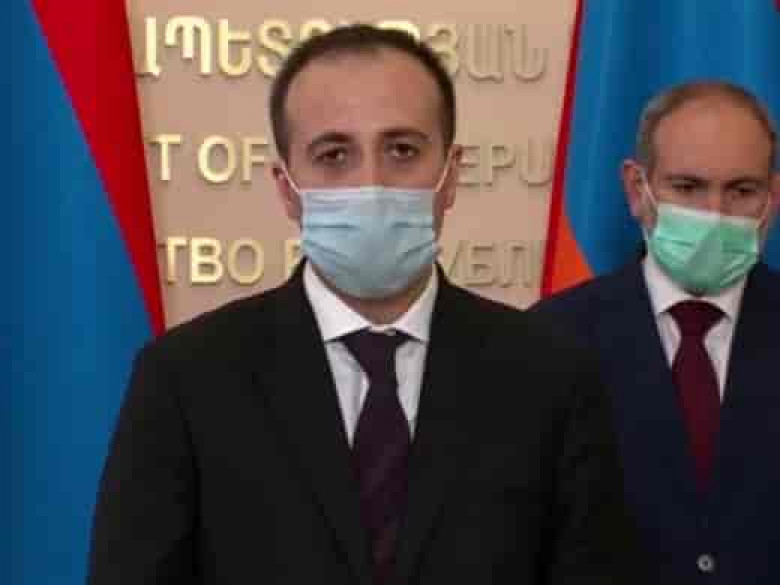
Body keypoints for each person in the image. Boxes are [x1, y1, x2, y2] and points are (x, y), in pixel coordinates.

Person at [88, 25, 639, 585]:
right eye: (333, 155)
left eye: (402, 151)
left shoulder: (550, 376)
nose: (371, 183)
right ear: (286, 188)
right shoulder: (186, 379)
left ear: (451, 175)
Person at [531, 81, 780, 584]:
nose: (714, 215)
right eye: (687, 188)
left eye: (741, 191)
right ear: (635, 189)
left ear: (771, 198)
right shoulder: (548, 340)